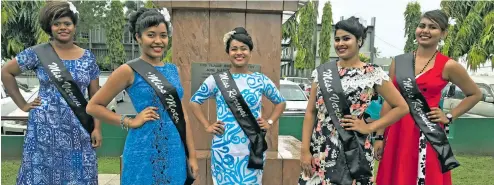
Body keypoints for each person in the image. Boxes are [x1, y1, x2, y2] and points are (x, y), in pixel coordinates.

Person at [85, 8, 198, 184]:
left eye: (163, 35)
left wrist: (192, 156)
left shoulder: (172, 70)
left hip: (175, 150)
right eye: (151, 35)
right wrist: (129, 121)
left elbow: (184, 117)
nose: (158, 41)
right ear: (138, 37)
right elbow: (93, 106)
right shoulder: (128, 70)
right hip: (143, 150)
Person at [298, 17, 409, 185]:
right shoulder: (322, 72)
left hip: (355, 149)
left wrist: (370, 127)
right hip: (320, 149)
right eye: (337, 39)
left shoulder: (372, 73)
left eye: (346, 38)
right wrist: (305, 150)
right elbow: (311, 112)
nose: (340, 43)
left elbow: (402, 107)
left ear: (360, 41)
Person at [376, 10, 482, 185]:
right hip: (396, 130)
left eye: (433, 27)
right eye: (422, 25)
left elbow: (475, 94)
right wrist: (379, 136)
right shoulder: (399, 61)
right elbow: (389, 100)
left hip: (427, 133)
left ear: (443, 33)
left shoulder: (449, 65)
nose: (425, 30)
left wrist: (449, 115)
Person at [1, 2, 101, 184]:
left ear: (74, 26)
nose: (62, 28)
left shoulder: (88, 58)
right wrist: (23, 105)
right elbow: (6, 72)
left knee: (81, 175)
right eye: (57, 24)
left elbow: (96, 98)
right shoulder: (37, 53)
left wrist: (97, 128)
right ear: (50, 27)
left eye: (67, 23)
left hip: (79, 128)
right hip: (44, 130)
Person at [189, 27, 287, 184]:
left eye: (243, 48)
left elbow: (281, 102)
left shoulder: (259, 79)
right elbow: (194, 101)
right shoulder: (216, 79)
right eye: (234, 49)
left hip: (252, 147)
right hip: (224, 148)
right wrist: (207, 125)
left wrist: (269, 122)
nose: (239, 53)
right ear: (228, 52)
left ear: (250, 51)